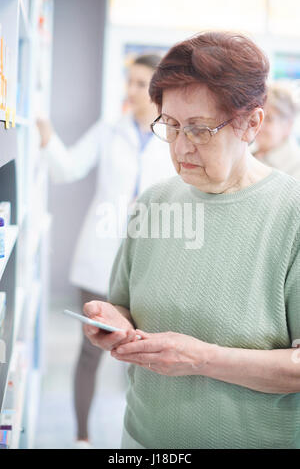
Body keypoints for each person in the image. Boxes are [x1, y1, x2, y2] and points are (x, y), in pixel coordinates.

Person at [82, 31, 300, 449]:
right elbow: (125, 305)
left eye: (201, 129)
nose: (181, 147)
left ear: (252, 123)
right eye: (172, 126)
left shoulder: (290, 215)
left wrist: (202, 359)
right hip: (141, 442)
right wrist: (113, 321)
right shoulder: (153, 203)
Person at [36, 54, 176, 448]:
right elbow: (68, 168)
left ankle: (143, 439)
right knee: (90, 351)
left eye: (139, 84)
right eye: (128, 82)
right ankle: (82, 438)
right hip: (99, 256)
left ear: (158, 91)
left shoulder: (172, 136)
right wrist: (47, 138)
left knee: (145, 351)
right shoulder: (109, 129)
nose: (130, 91)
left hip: (151, 261)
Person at [253, 81, 300, 179]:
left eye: (269, 119)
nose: (259, 126)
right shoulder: (250, 152)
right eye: (257, 117)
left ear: (288, 126)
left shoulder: (296, 167)